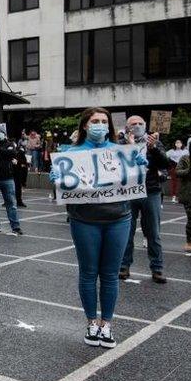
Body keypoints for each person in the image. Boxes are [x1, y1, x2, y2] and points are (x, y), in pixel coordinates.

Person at [50, 107, 146, 349]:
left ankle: (107, 324)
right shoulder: (71, 153)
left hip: (119, 219)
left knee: (111, 275)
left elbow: (138, 174)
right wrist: (56, 176)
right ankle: (91, 322)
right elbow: (62, 181)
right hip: (84, 221)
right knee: (89, 272)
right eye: (95, 121)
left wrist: (139, 161)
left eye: (104, 121)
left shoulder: (120, 151)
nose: (100, 125)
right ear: (85, 125)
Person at [118, 116, 170, 283]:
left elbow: (165, 163)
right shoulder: (120, 143)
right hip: (129, 192)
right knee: (127, 232)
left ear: (145, 126)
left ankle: (157, 268)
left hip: (151, 192)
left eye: (140, 124)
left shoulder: (153, 142)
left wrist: (153, 148)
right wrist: (128, 145)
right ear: (127, 127)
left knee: (153, 232)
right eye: (134, 124)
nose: (137, 126)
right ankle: (124, 266)